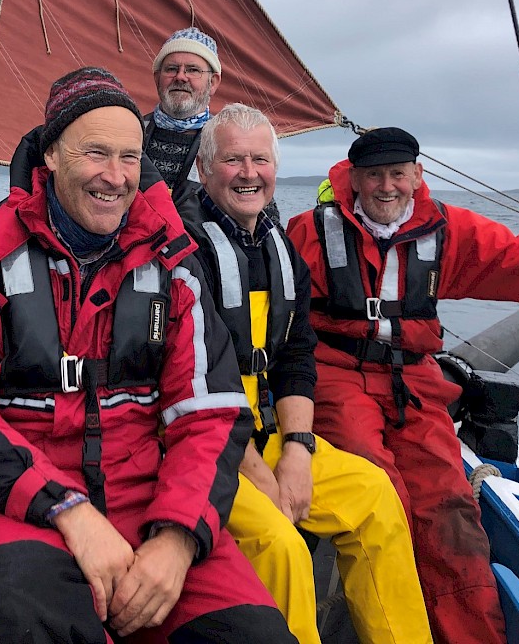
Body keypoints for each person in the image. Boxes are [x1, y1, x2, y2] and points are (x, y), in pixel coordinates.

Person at [0, 68, 297, 644]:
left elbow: (209, 414)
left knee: (255, 635)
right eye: (95, 153)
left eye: (130, 158)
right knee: (24, 615)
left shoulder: (175, 269)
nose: (115, 177)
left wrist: (178, 539)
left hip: (148, 501)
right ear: (52, 158)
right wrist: (67, 509)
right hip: (8, 510)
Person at [285, 126, 519, 644]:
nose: (386, 187)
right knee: (381, 494)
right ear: (353, 178)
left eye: (398, 174)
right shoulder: (307, 232)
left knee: (451, 510)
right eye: (373, 175)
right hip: (334, 375)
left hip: (414, 379)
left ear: (418, 176)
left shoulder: (444, 231)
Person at [180, 103, 433, 644]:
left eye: (260, 159)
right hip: (200, 446)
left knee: (374, 497)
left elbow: (295, 355)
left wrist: (298, 449)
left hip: (265, 433)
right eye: (232, 160)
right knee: (280, 544)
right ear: (204, 170)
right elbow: (192, 381)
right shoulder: (180, 254)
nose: (249, 173)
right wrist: (261, 474)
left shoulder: (281, 251)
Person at [143, 27, 221, 195]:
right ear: (157, 78)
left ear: (213, 83)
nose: (180, 77)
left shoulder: (226, 139)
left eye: (193, 70)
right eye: (171, 69)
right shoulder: (130, 132)